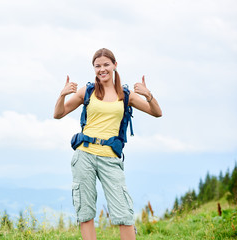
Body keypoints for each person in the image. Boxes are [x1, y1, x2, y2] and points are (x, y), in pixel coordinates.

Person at [54, 48, 162, 240]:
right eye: (98, 66)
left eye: (106, 65)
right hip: (84, 155)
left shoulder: (126, 95)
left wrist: (148, 95)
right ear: (93, 68)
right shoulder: (87, 92)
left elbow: (156, 112)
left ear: (114, 65)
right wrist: (62, 95)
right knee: (85, 210)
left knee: (123, 210)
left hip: (110, 157)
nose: (102, 69)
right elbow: (58, 114)